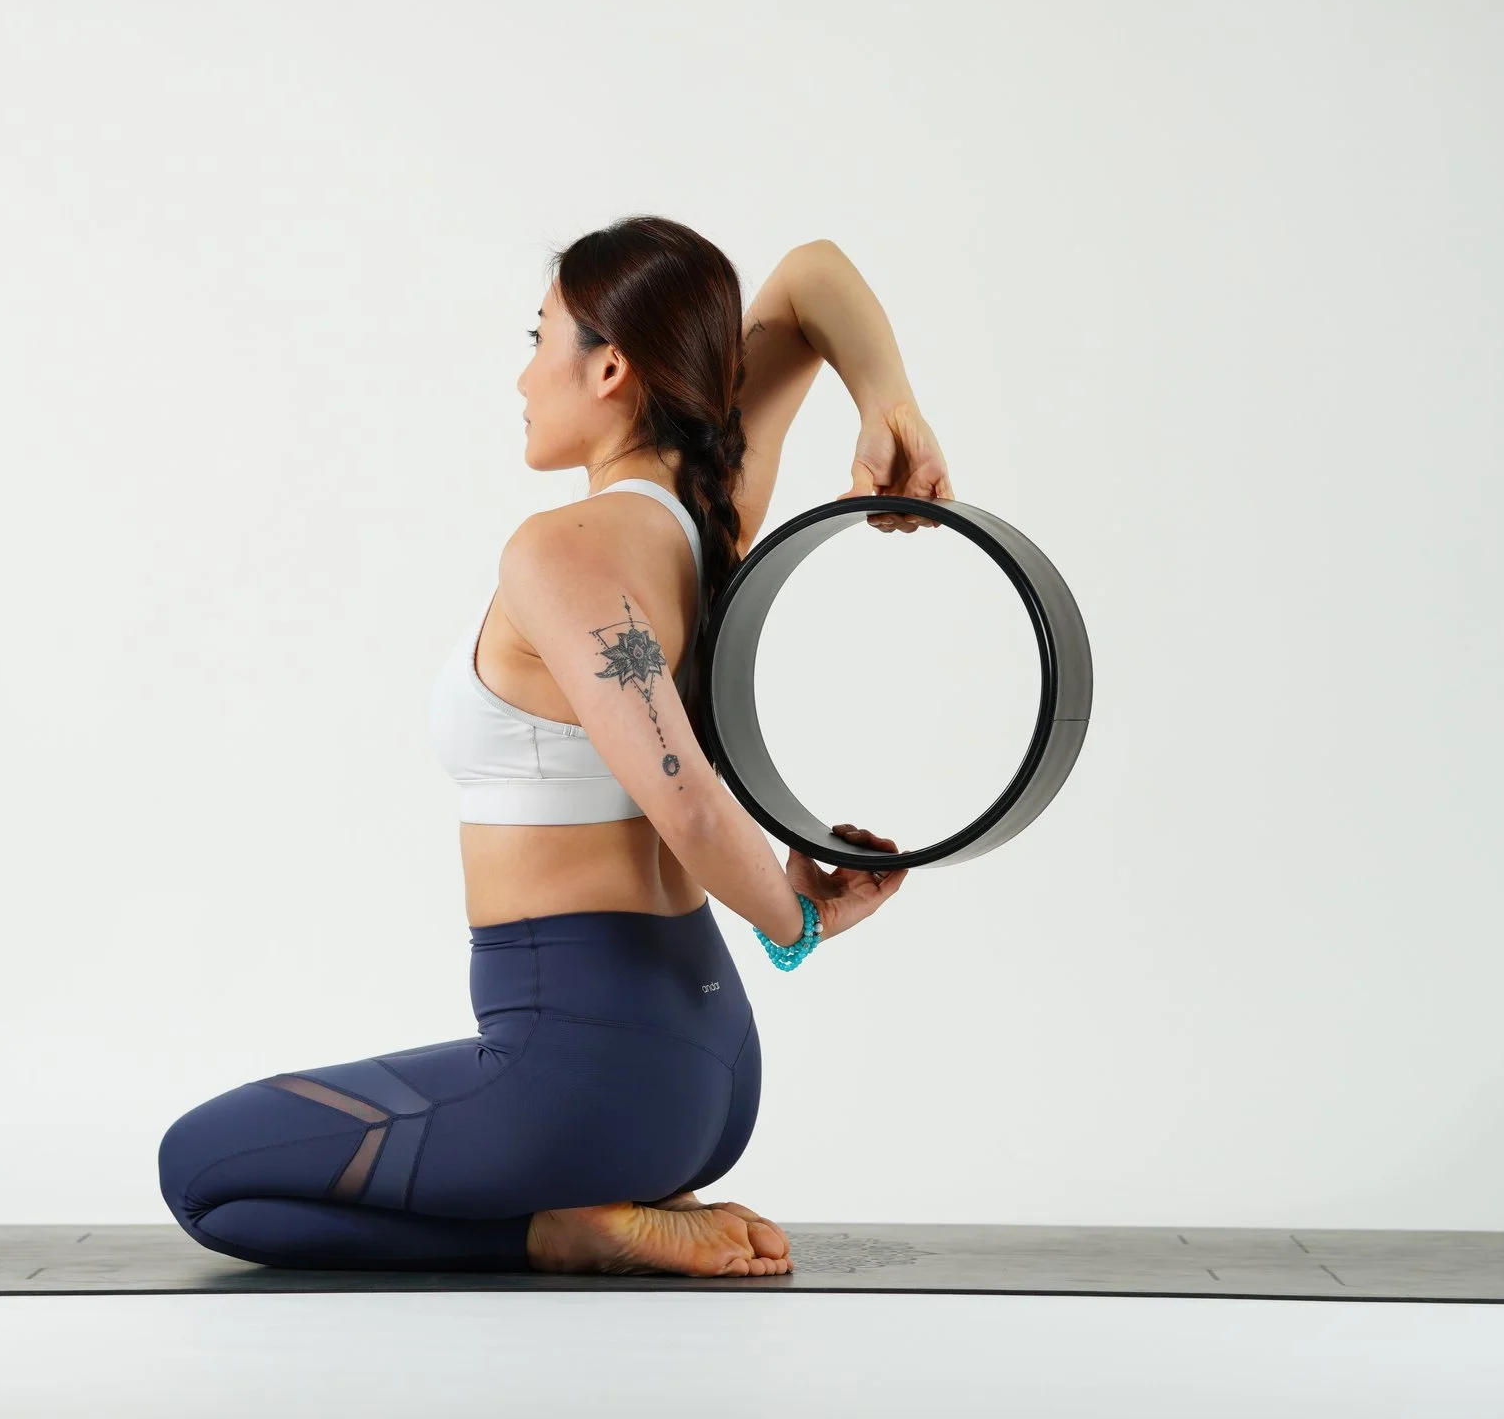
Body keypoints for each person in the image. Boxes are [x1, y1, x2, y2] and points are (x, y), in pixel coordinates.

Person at [157, 219, 956, 1276]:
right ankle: (589, 1206)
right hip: (694, 1067)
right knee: (241, 1161)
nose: (524, 375)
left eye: (540, 338)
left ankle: (561, 1228)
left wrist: (797, 918)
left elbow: (691, 804)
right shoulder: (704, 518)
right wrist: (888, 402)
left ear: (611, 365)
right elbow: (812, 277)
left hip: (586, 1078)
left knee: (201, 1171)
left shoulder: (563, 550)